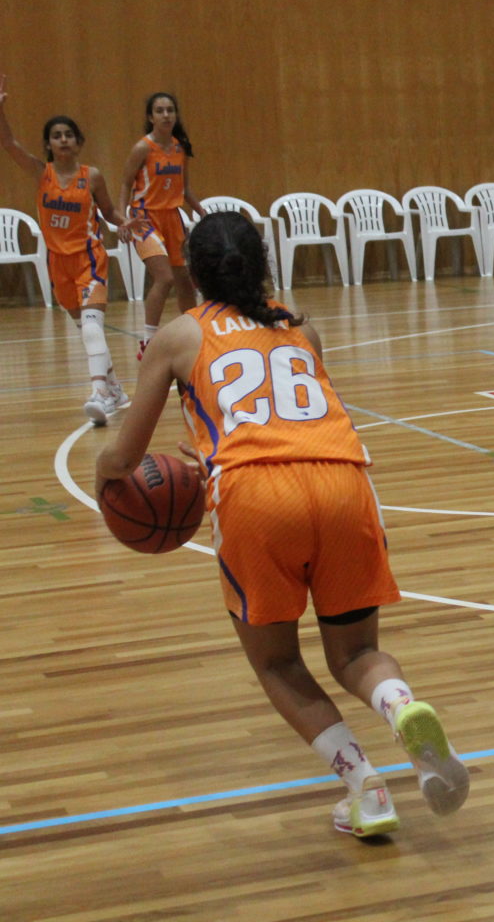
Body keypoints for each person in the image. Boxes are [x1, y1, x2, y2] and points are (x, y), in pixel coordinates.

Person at [94, 212, 469, 839]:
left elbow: (125, 456)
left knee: (278, 665)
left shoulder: (180, 336)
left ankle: (366, 788)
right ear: (263, 264)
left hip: (258, 498)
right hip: (345, 482)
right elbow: (291, 414)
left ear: (195, 269)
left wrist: (107, 478)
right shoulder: (303, 327)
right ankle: (402, 706)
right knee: (357, 653)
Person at [0, 73, 143, 424]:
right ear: (49, 144)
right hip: (57, 264)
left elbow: (108, 211)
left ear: (78, 142)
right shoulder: (41, 172)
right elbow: (8, 143)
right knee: (85, 329)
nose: (63, 140)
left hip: (88, 260)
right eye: (56, 136)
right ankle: (116, 389)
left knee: (93, 328)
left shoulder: (91, 176)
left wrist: (122, 222)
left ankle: (99, 392)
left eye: (68, 135)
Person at [120, 91, 207, 359]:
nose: (166, 115)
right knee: (165, 277)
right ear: (151, 117)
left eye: (170, 110)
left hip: (173, 217)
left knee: (184, 279)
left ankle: (195, 330)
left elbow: (185, 188)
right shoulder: (143, 148)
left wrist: (204, 213)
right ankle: (148, 340)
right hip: (145, 217)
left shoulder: (180, 148)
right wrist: (124, 219)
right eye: (160, 110)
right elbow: (125, 183)